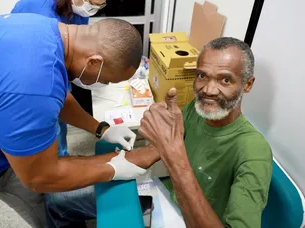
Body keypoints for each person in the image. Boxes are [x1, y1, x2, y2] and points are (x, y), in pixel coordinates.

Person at [0, 14, 160, 227]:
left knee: (42, 200)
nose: (104, 85)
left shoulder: (47, 32)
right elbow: (39, 176)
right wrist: (114, 166)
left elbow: (55, 97)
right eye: (107, 80)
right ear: (94, 62)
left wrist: (101, 128)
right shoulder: (33, 80)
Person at [47, 37, 273, 228]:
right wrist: (80, 167)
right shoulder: (199, 111)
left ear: (247, 84)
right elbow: (153, 152)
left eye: (225, 80)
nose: (208, 90)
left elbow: (173, 155)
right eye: (202, 75)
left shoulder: (254, 151)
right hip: (168, 195)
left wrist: (175, 158)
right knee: (57, 199)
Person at [12, 0, 113, 157]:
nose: (92, 9)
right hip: (28, 75)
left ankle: (62, 154)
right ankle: (54, 164)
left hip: (50, 67)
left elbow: (76, 44)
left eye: (99, 6)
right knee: (49, 126)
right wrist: (100, 128)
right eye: (92, 3)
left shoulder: (78, 7)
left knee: (61, 123)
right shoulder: (43, 17)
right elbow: (47, 75)